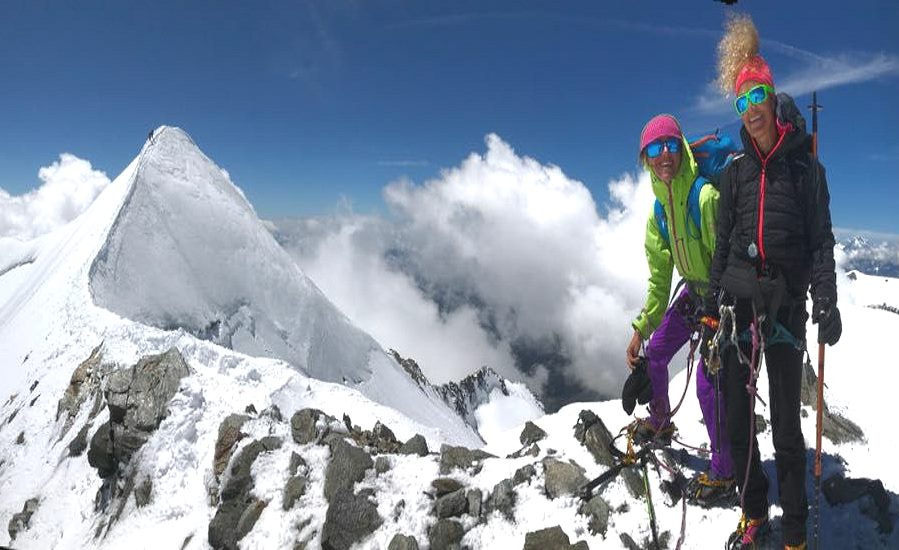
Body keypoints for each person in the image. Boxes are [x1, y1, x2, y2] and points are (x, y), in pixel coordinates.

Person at [705, 15, 841, 550]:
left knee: (786, 427)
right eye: (742, 100)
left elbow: (821, 241)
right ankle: (754, 512)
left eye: (758, 94)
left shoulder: (806, 171)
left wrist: (825, 298)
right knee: (738, 425)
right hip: (738, 306)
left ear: (772, 94)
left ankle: (793, 532)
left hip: (785, 307)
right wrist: (713, 302)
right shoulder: (736, 172)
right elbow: (723, 244)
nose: (752, 108)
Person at [626, 113, 736, 506]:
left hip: (724, 300)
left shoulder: (704, 197)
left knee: (708, 383)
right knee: (654, 356)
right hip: (693, 293)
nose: (664, 154)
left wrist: (718, 313)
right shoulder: (659, 214)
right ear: (646, 160)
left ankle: (725, 471)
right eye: (655, 149)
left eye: (671, 144)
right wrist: (642, 327)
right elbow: (659, 281)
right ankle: (660, 423)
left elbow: (730, 259)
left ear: (683, 149)